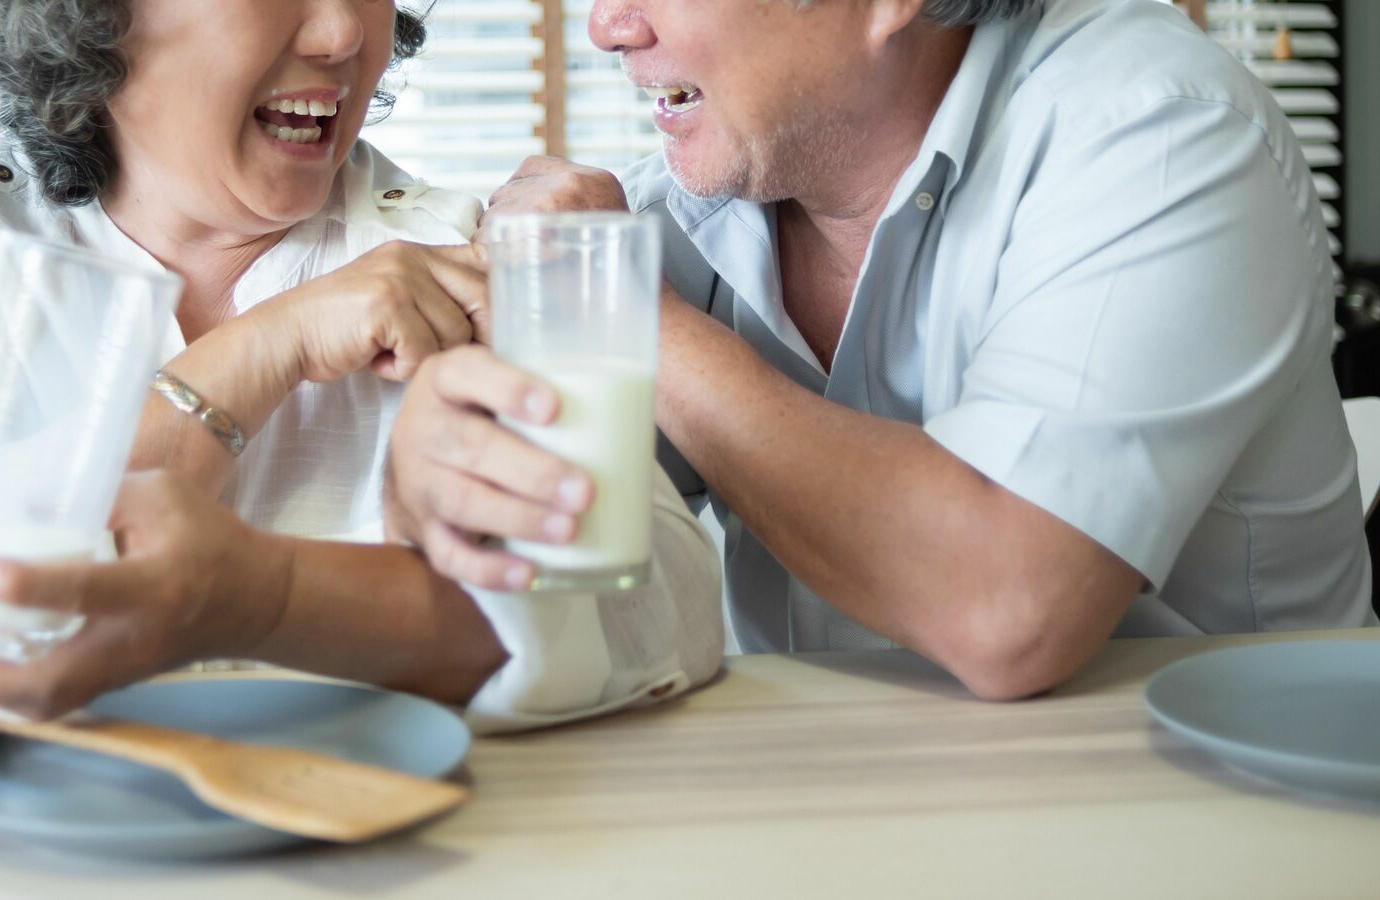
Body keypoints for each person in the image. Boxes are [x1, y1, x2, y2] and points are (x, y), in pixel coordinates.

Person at [383, 0, 1376, 701]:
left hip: (1219, 821)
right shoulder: (686, 211)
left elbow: (1006, 605)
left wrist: (642, 328)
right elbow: (536, 562)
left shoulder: (1160, 129)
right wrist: (437, 470)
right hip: (835, 807)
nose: (606, 23)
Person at [0, 0, 722, 729]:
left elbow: (664, 617)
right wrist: (266, 347)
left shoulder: (451, 259)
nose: (341, 33)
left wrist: (269, 595)